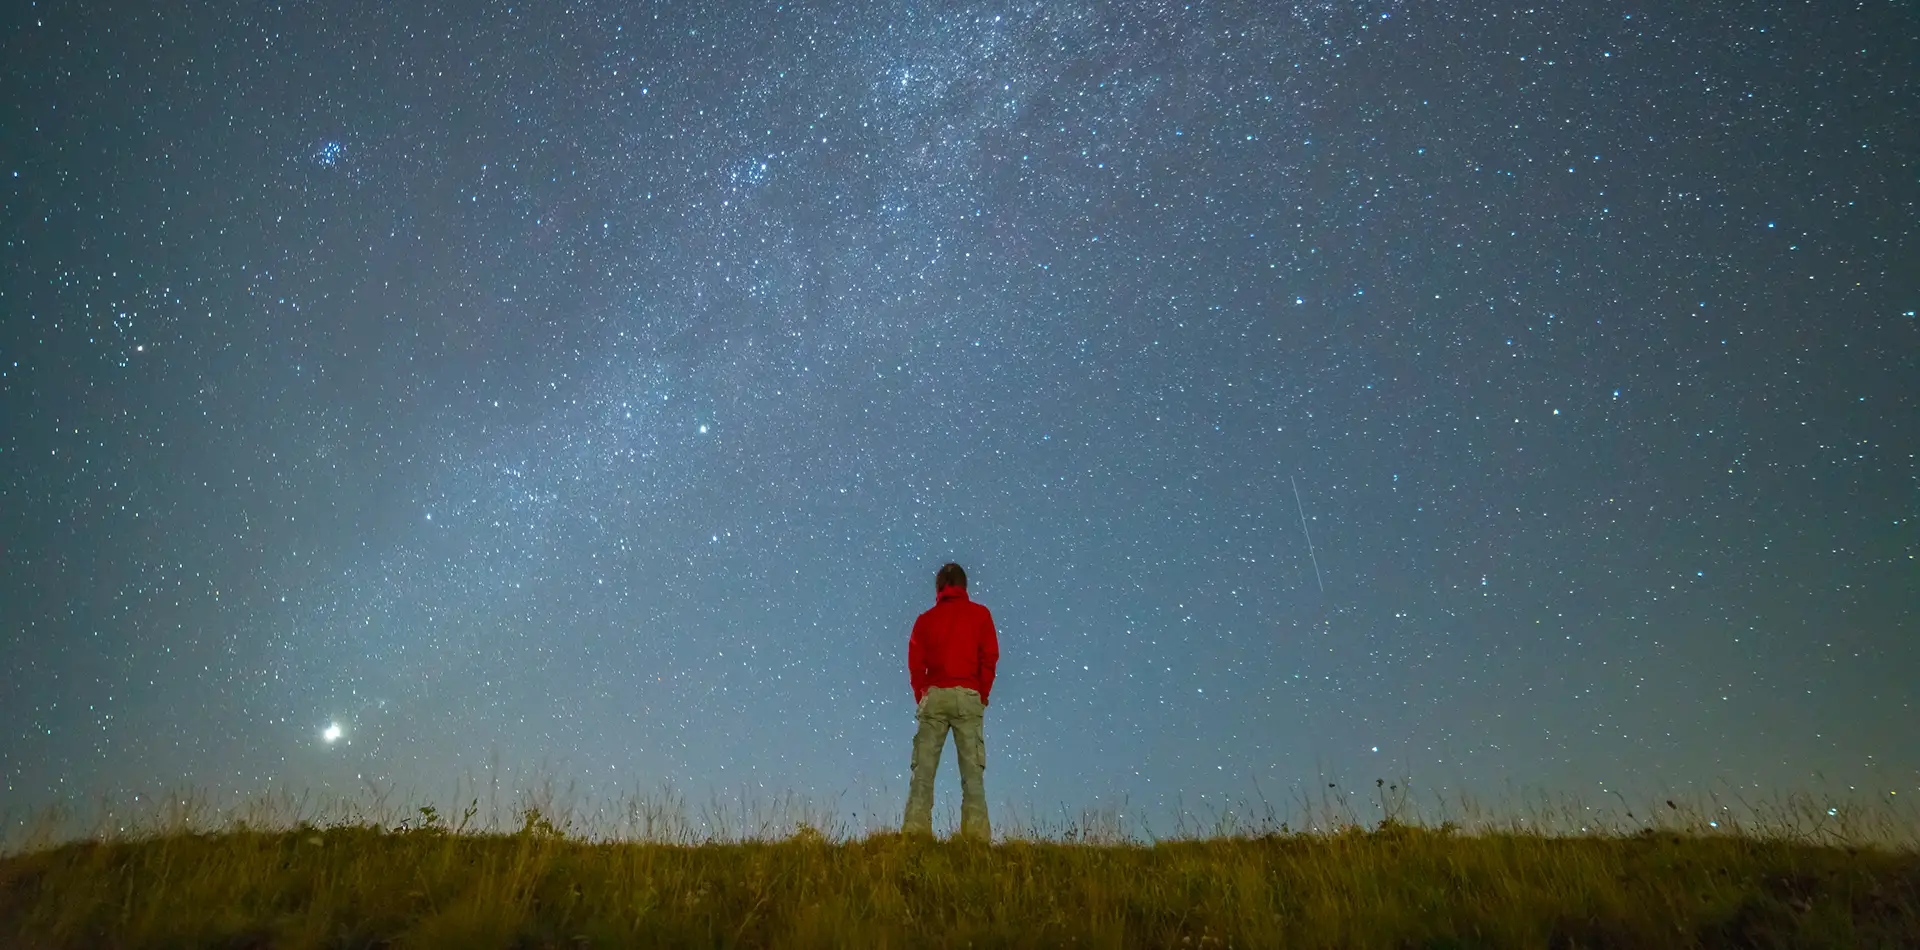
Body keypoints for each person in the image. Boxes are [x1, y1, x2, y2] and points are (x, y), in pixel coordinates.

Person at [902, 562, 999, 840]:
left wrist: (922, 694)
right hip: (968, 697)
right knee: (972, 774)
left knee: (923, 771)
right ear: (964, 586)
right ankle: (976, 837)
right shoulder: (980, 615)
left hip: (935, 697)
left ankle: (915, 833)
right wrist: (981, 694)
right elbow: (989, 657)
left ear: (938, 588)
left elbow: (915, 663)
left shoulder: (925, 620)